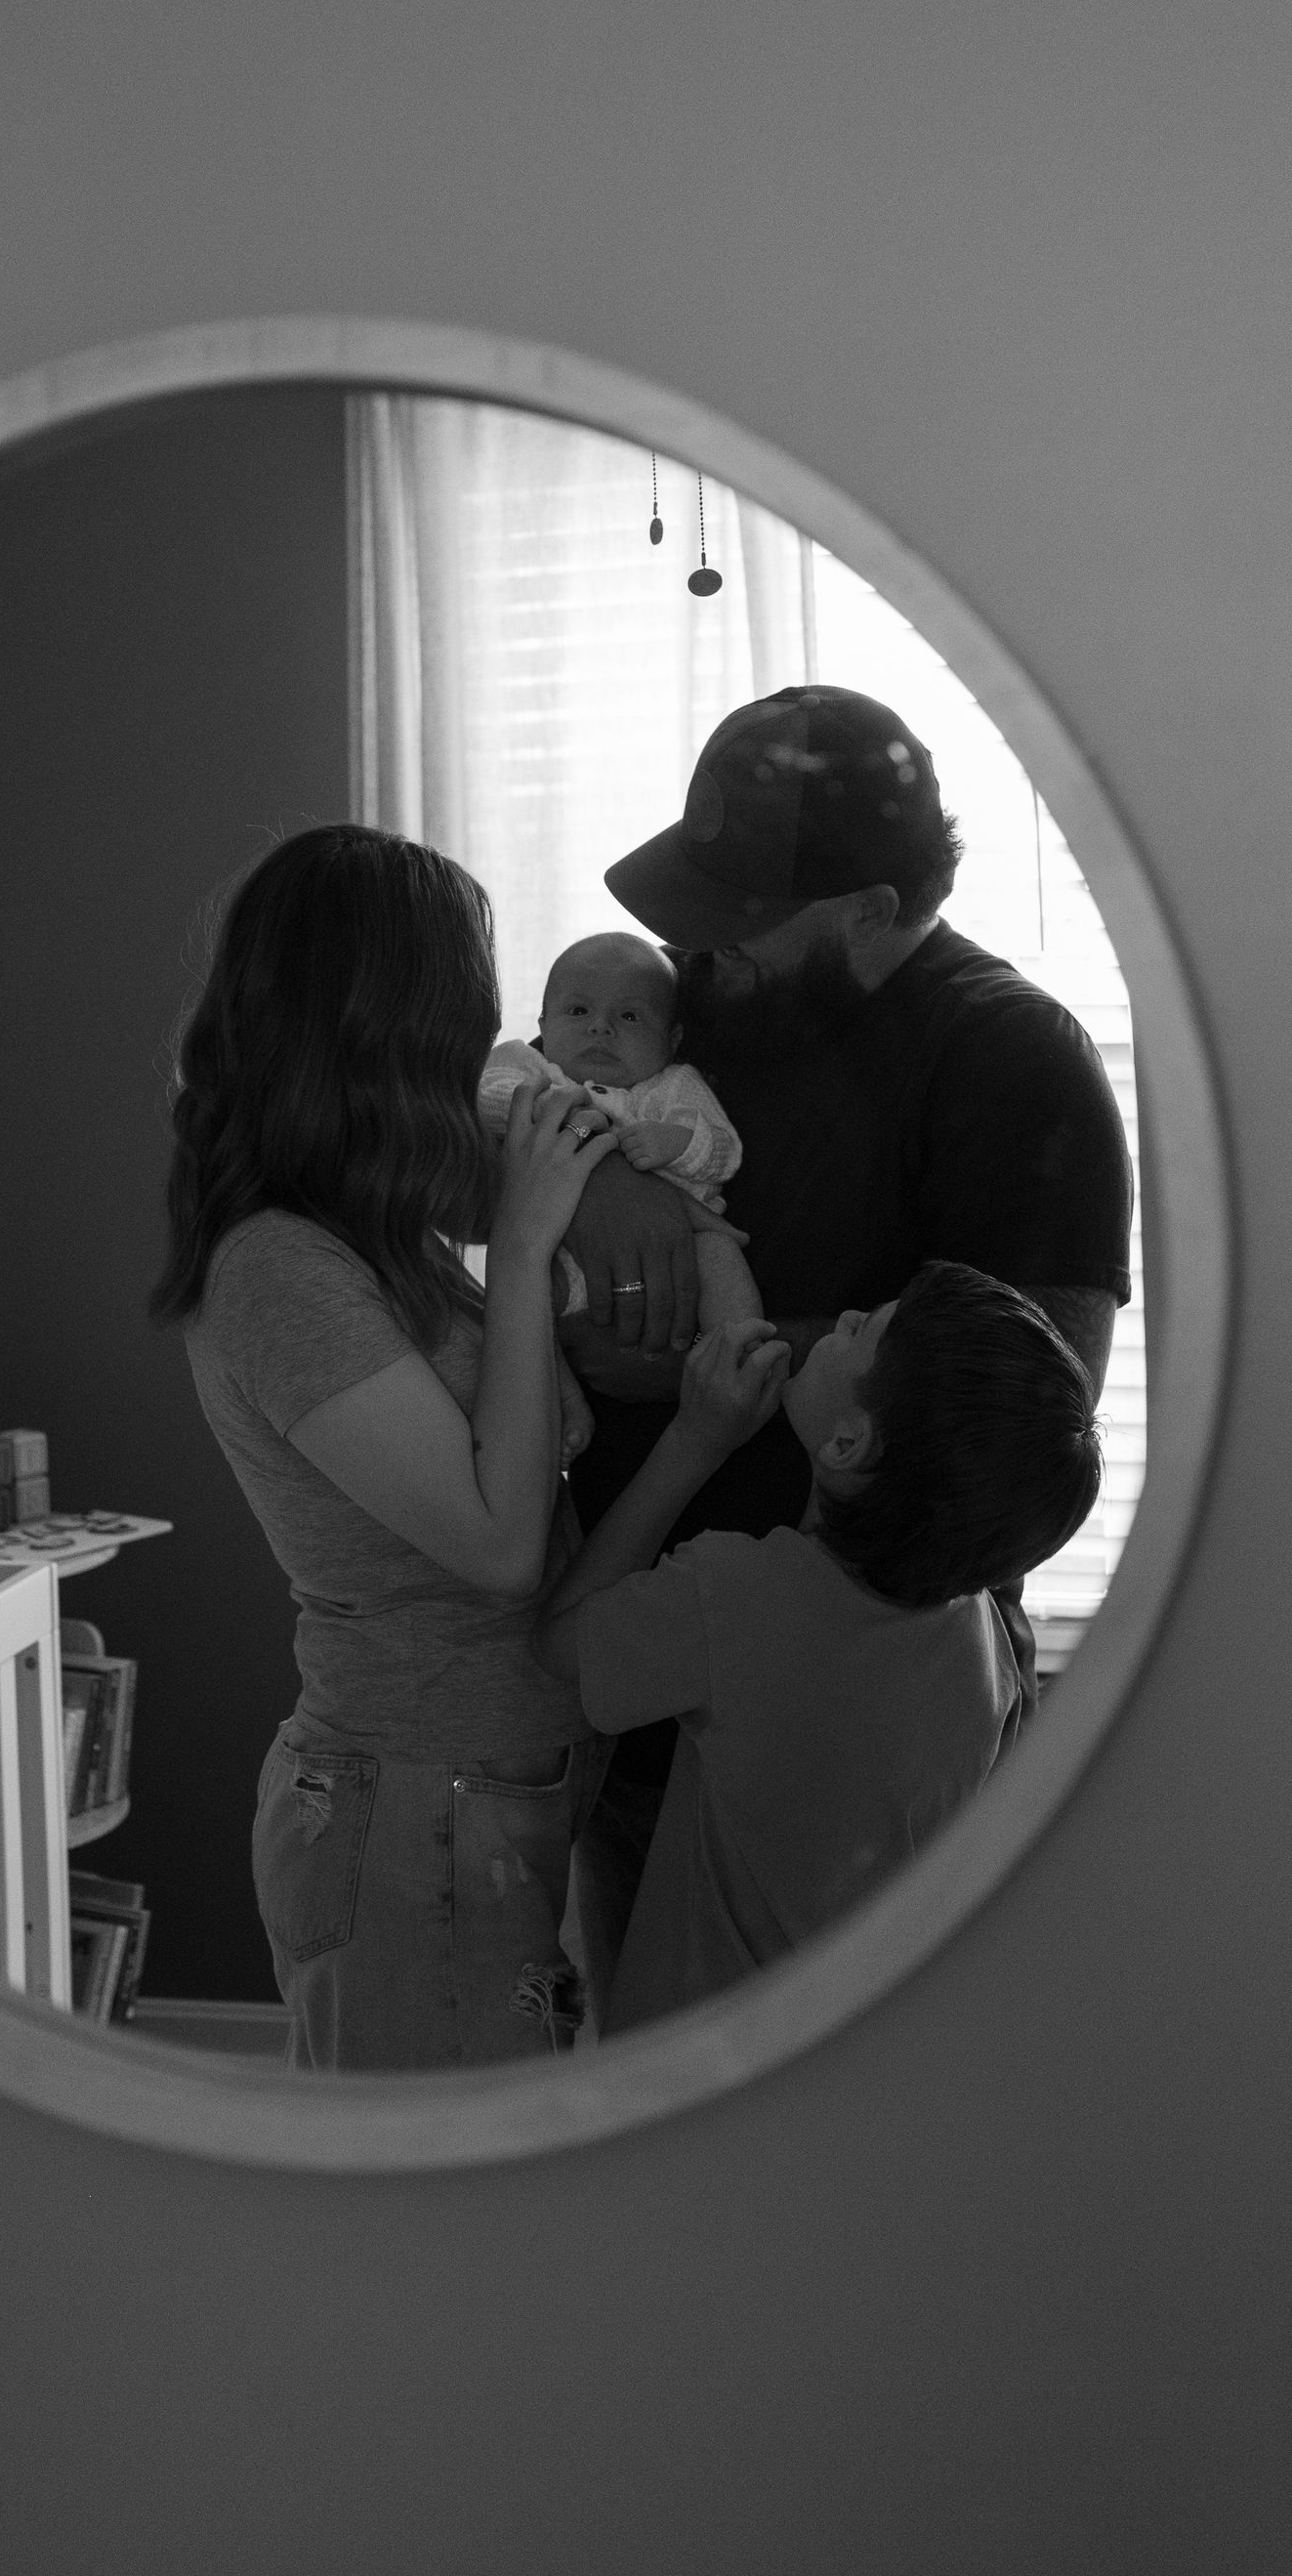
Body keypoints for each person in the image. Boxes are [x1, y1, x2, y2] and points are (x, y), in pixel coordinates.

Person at [557, 687, 1135, 2006]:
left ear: (871, 912)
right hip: (643, 1686)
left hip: (860, 1740)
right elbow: (554, 1088)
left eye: (740, 919)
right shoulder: (715, 1001)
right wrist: (599, 1180)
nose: (693, 948)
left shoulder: (1013, 1059)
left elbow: (1039, 1410)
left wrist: (721, 1355)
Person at [151, 823, 620, 2072]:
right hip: (418, 1805)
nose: (489, 1043)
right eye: (467, 1012)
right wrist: (519, 1249)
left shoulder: (380, 1229)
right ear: (394, 1030)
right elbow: (498, 1543)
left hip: (496, 1785)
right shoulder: (276, 1268)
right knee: (436, 2245)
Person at [534, 1268, 1102, 2029]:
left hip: (693, 2063)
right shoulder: (981, 1638)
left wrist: (692, 1440)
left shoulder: (735, 1597)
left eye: (861, 1329)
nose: (843, 1312)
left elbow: (557, 1644)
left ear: (847, 1441)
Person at [478, 929, 760, 1332]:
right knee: (520, 1296)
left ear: (672, 1038)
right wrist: (546, 1106)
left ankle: (738, 1356)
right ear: (544, 1023)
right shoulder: (531, 1067)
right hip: (558, 1251)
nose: (601, 1028)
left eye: (629, 1016)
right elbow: (488, 1095)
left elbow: (722, 1151)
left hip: (676, 1254)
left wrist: (677, 1143)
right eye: (578, 1011)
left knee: (719, 1252)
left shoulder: (674, 1086)